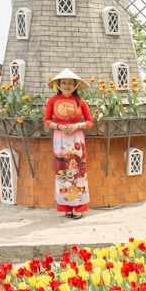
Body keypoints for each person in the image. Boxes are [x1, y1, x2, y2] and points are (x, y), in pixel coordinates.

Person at [43, 69, 93, 219]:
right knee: (62, 171)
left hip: (77, 138)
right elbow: (46, 121)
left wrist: (78, 125)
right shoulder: (52, 101)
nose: (66, 85)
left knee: (78, 171)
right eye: (63, 83)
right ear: (58, 84)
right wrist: (59, 126)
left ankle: (79, 206)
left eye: (70, 83)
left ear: (75, 85)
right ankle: (65, 205)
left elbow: (90, 121)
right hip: (60, 139)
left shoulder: (81, 102)